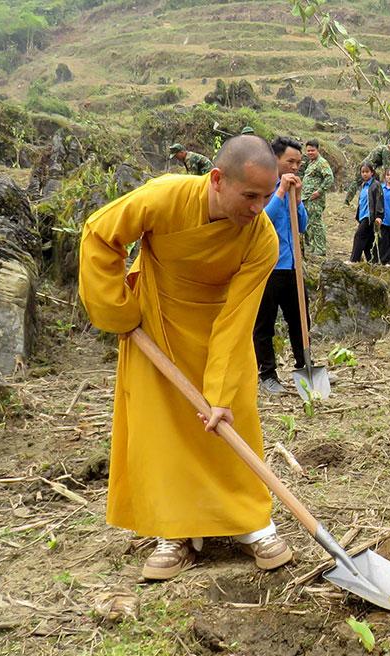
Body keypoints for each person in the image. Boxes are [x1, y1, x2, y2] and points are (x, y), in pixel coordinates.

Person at [78, 135, 294, 581]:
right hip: (155, 326)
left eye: (267, 196)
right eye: (249, 195)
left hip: (219, 330)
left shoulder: (262, 240)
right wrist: (119, 310)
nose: (258, 208)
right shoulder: (165, 196)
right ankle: (174, 533)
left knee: (234, 419)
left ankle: (251, 523)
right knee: (163, 430)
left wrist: (220, 393)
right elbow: (100, 234)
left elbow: (237, 324)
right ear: (217, 180)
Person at [253, 137, 310, 396]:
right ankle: (267, 374)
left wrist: (296, 198)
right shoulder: (262, 188)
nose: (296, 167)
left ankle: (304, 367)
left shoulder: (294, 187)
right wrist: (281, 193)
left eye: (299, 162)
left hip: (292, 267)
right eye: (290, 161)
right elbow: (261, 221)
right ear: (275, 160)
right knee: (264, 323)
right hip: (267, 267)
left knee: (300, 321)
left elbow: (303, 225)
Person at [301, 139, 335, 257]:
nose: (310, 153)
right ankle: (313, 246)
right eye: (308, 151)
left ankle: (320, 249)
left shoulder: (321, 162)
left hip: (315, 199)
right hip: (307, 198)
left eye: (312, 150)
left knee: (316, 223)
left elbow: (329, 178)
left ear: (317, 150)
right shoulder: (311, 163)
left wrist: (319, 192)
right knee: (309, 223)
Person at [349, 164, 385, 263]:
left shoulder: (375, 185)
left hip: (370, 217)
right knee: (368, 242)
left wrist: (379, 216)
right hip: (362, 216)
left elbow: (379, 200)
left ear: (372, 173)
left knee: (359, 236)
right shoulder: (363, 186)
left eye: (367, 172)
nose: (364, 174)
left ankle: (353, 260)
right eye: (363, 172)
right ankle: (373, 263)